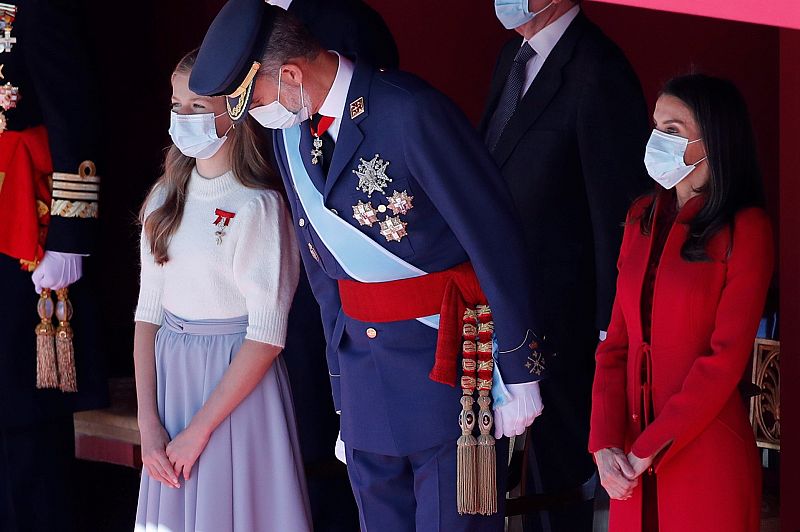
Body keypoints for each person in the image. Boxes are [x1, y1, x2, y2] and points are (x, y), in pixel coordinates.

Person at [190, 2, 552, 529]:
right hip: (365, 375)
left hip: (447, 367)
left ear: (290, 75)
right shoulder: (291, 132)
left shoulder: (408, 111)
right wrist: (342, 388)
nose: (261, 115)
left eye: (259, 100)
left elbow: (494, 239)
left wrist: (520, 369)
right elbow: (323, 272)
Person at [479, 1, 650, 530]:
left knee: (555, 484)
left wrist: (609, 331)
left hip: (565, 320)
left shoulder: (599, 69)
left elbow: (618, 214)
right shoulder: (512, 57)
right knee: (488, 480)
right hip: (500, 307)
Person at [133, 50, 311, 532]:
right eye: (177, 105)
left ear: (234, 110)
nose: (183, 116)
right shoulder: (163, 200)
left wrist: (199, 431)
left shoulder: (259, 207)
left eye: (198, 106)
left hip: (233, 392)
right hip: (173, 385)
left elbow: (266, 336)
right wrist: (149, 424)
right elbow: (147, 316)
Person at [589, 74, 773, 532]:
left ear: (714, 139)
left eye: (672, 130)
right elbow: (616, 344)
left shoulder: (746, 229)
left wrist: (647, 447)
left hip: (704, 457)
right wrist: (604, 444)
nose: (658, 140)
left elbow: (723, 361)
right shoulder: (641, 217)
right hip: (629, 464)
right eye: (656, 127)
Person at [0, 2, 107, 531]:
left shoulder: (37, 8)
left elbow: (73, 111)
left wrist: (70, 234)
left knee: (23, 413)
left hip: (26, 222)